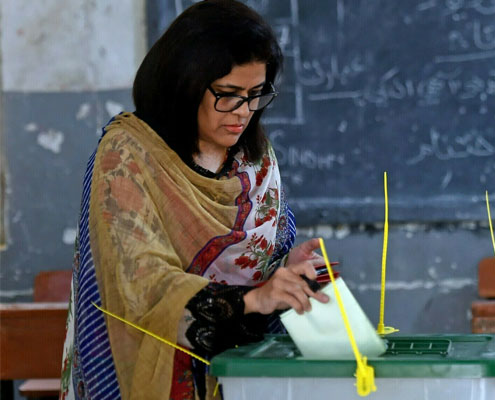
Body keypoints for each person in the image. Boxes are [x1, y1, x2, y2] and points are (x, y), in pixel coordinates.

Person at [59, 1, 329, 399]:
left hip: (243, 376)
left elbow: (258, 268)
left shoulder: (254, 157)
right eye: (228, 94)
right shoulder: (127, 155)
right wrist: (252, 298)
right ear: (184, 82)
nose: (243, 112)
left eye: (256, 94)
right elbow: (141, 286)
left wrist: (286, 269)